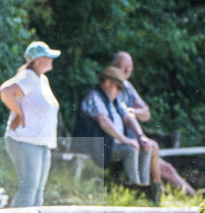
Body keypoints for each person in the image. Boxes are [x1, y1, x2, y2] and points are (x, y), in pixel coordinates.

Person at [110, 51, 195, 195]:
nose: (128, 70)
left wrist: (134, 112)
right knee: (154, 148)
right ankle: (157, 192)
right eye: (124, 66)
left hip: (136, 142)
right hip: (123, 144)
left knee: (167, 168)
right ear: (114, 66)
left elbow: (146, 113)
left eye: (130, 67)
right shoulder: (110, 88)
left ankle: (197, 200)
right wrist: (129, 115)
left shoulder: (128, 87)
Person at [0, 41, 60, 207]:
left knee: (38, 190)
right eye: (48, 56)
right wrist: (19, 113)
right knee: (28, 189)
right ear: (38, 60)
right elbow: (5, 92)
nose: (52, 59)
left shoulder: (42, 80)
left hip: (41, 143)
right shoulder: (28, 77)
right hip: (25, 141)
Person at [77, 66, 153, 188]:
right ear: (107, 83)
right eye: (118, 87)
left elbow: (128, 118)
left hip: (111, 145)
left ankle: (145, 186)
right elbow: (103, 121)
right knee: (130, 150)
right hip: (96, 145)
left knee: (145, 147)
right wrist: (126, 140)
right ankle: (135, 187)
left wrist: (141, 137)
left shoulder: (115, 101)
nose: (119, 91)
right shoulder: (95, 97)